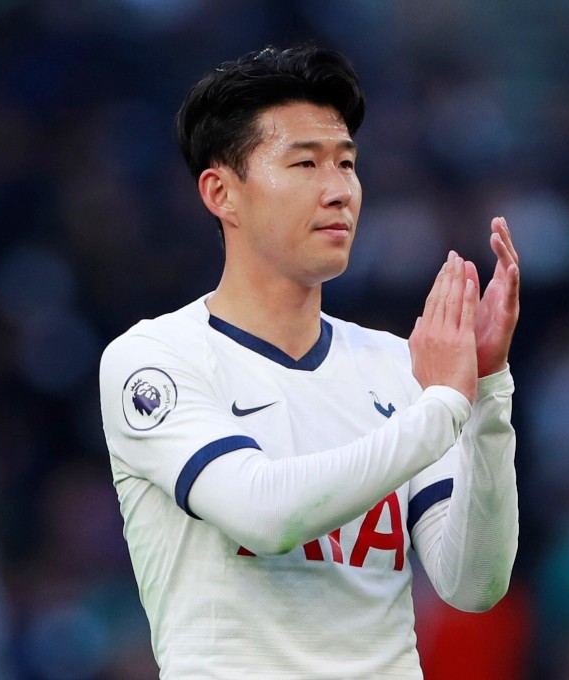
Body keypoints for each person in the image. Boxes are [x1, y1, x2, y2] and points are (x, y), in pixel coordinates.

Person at [98, 44, 521, 679]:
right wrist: (444, 407)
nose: (338, 191)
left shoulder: (395, 366)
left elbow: (472, 584)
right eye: (305, 163)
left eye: (347, 164)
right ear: (222, 192)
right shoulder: (154, 361)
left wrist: (487, 393)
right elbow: (263, 516)